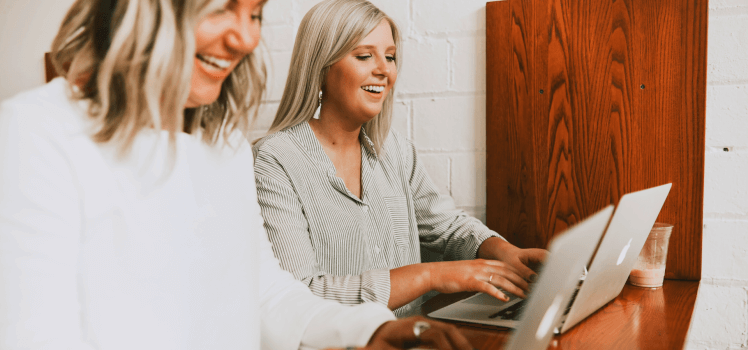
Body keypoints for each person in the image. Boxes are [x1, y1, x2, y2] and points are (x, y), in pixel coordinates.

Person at [0, 0, 473, 349]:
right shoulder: (38, 132)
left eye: (255, 14)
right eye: (223, 9)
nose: (246, 38)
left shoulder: (223, 143)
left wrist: (370, 330)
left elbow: (265, 293)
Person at [253, 0, 547, 316]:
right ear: (321, 66)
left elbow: (445, 226)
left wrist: (505, 252)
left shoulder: (394, 150)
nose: (384, 70)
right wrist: (431, 275)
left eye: (390, 57)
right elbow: (302, 293)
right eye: (364, 56)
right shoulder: (274, 161)